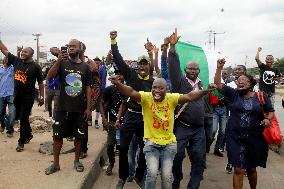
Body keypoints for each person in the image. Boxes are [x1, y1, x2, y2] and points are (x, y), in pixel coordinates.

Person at [109, 76, 214, 189]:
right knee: (152, 173)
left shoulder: (172, 98)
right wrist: (118, 84)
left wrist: (206, 91)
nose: (157, 91)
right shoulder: (146, 97)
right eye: (154, 88)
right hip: (151, 143)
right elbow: (131, 92)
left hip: (169, 144)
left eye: (161, 88)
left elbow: (189, 96)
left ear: (167, 89)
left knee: (166, 176)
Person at [214, 58, 274, 189]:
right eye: (238, 81)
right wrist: (218, 68)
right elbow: (218, 84)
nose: (240, 82)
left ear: (251, 83)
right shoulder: (233, 94)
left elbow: (270, 111)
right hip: (234, 137)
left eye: (243, 80)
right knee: (238, 170)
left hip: (254, 138)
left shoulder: (261, 96)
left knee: (251, 169)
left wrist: (268, 119)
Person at [110, 30, 154, 189]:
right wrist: (113, 41)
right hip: (130, 116)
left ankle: (138, 176)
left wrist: (152, 53)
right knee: (123, 148)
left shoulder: (154, 82)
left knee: (145, 150)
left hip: (145, 119)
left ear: (149, 66)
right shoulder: (131, 75)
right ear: (137, 65)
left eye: (145, 63)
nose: (142, 66)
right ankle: (122, 177)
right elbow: (119, 60)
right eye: (140, 63)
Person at [45, 39, 92, 175]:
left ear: (80, 49)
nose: (71, 48)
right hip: (62, 107)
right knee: (57, 137)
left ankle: (76, 161)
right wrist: (58, 61)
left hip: (79, 108)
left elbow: (88, 89)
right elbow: (49, 76)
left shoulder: (85, 67)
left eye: (74, 46)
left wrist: (88, 108)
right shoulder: (62, 63)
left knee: (79, 137)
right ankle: (56, 164)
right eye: (69, 46)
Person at [167, 28, 206, 189]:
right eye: (190, 68)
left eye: (195, 69)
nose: (193, 70)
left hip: (199, 129)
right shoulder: (179, 83)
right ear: (185, 70)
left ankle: (193, 185)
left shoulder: (201, 84)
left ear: (198, 71)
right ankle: (177, 178)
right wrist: (172, 48)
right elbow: (173, 67)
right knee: (177, 156)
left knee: (199, 159)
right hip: (182, 127)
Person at [0, 40, 44, 152]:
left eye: (26, 52)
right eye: (23, 52)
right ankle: (29, 134)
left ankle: (21, 142)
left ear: (31, 54)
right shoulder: (17, 61)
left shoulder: (36, 67)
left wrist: (41, 97)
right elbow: (4, 50)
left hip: (28, 97)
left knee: (23, 118)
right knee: (21, 118)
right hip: (17, 96)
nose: (23, 53)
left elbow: (40, 83)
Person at [100, 71, 125, 175]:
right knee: (110, 145)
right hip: (112, 122)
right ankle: (111, 163)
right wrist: (104, 119)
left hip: (126, 124)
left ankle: (125, 169)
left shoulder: (128, 89)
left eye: (121, 74)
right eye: (116, 74)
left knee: (125, 148)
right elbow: (101, 103)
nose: (118, 76)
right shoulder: (109, 89)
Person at [0, 56, 16, 137]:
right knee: (0, 113)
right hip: (1, 94)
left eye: (10, 59)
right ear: (4, 60)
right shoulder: (0, 68)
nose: (8, 60)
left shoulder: (14, 68)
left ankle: (10, 131)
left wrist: (18, 53)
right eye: (7, 59)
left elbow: (18, 62)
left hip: (11, 94)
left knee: (12, 113)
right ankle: (3, 124)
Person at [94, 57, 107, 129]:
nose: (96, 63)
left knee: (98, 106)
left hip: (99, 90)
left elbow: (103, 80)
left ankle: (96, 121)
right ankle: (88, 120)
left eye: (97, 62)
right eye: (95, 62)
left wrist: (102, 91)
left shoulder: (102, 69)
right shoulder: (91, 67)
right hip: (92, 90)